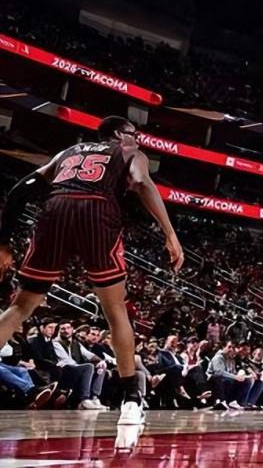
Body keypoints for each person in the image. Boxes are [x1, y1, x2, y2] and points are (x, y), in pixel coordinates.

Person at [0, 116, 184, 433]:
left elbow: (21, 189)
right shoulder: (128, 151)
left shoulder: (68, 152)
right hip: (97, 210)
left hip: (55, 210)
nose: (138, 139)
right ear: (119, 134)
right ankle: (131, 400)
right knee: (115, 310)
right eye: (134, 134)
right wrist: (170, 234)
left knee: (21, 306)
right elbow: (142, 183)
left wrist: (3, 241)